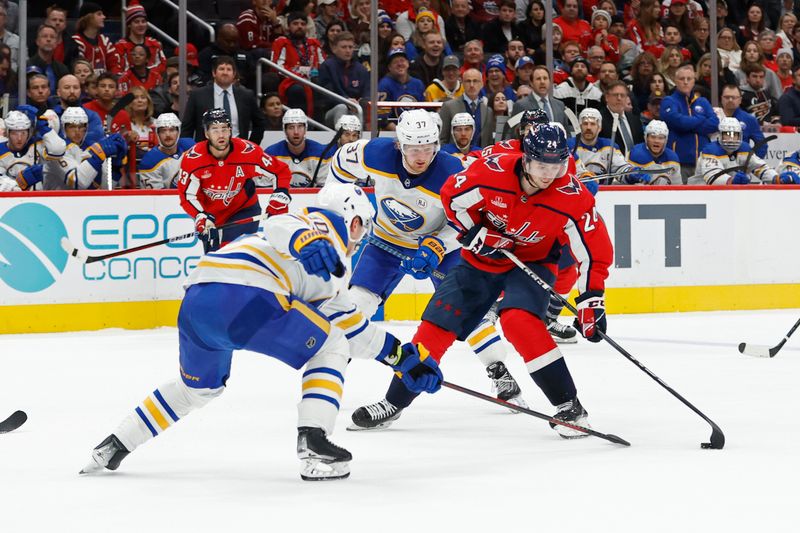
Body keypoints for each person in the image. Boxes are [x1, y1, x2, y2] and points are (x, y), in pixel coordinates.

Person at [79, 182, 443, 481]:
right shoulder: (322, 236)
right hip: (249, 298)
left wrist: (403, 358)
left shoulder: (315, 249)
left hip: (197, 301)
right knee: (330, 346)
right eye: (363, 226)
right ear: (352, 220)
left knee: (197, 388)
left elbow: (352, 323)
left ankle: (115, 444)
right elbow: (281, 226)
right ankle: (313, 437)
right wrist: (307, 241)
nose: (361, 238)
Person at [353, 123, 613, 436]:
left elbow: (594, 252)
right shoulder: (492, 172)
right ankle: (394, 401)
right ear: (525, 159)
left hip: (532, 262)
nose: (548, 175)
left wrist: (592, 300)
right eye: (542, 165)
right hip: (480, 261)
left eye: (556, 166)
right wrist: (473, 231)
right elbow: (452, 197)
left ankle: (569, 406)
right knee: (436, 324)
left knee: (519, 321)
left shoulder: (572, 196)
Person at [325, 110, 528, 430]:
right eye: (413, 149)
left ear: (437, 144)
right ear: (399, 146)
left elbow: (470, 220)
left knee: (465, 314)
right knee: (355, 307)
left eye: (429, 148)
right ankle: (330, 375)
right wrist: (340, 205)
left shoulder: (452, 171)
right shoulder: (374, 153)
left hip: (438, 247)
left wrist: (439, 245)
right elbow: (338, 163)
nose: (421, 157)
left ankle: (500, 373)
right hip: (385, 242)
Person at [177, 108, 292, 253]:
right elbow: (187, 197)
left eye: (224, 128)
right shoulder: (192, 160)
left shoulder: (248, 152)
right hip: (212, 216)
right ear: (206, 133)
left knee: (232, 254)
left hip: (243, 209)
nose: (221, 135)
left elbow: (280, 171)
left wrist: (280, 195)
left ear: (231, 130)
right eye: (215, 129)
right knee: (214, 261)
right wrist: (201, 216)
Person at [181, 56, 267, 144]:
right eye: (221, 69)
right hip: (206, 150)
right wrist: (190, 149)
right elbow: (187, 127)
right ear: (214, 73)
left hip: (238, 150)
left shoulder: (246, 95)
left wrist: (251, 145)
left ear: (234, 74)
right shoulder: (198, 95)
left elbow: (259, 123)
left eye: (229, 69)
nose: (225, 72)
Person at [660, 64, 719, 182]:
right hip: (678, 161)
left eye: (689, 79)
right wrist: (701, 118)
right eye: (682, 79)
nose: (685, 82)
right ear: (675, 81)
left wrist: (689, 125)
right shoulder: (669, 101)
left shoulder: (702, 101)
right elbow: (678, 122)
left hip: (702, 161)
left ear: (694, 81)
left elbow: (714, 123)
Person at [56, 106, 129, 190]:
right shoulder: (57, 151)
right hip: (56, 201)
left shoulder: (93, 147)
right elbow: (78, 183)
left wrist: (115, 168)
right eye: (72, 126)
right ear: (64, 128)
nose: (77, 131)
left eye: (81, 126)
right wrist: (98, 154)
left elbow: (106, 188)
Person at [697, 117, 785, 185]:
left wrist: (776, 178)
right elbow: (712, 177)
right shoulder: (710, 151)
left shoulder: (744, 149)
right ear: (720, 135)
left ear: (740, 135)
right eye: (727, 134)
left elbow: (760, 168)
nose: (731, 139)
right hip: (701, 193)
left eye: (735, 135)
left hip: (729, 195)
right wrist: (731, 180)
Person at [271, 12, 325, 115]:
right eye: (295, 23)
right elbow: (278, 67)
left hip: (313, 79)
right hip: (290, 81)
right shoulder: (282, 43)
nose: (299, 26)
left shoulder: (313, 44)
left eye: (303, 24)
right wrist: (300, 73)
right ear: (288, 26)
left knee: (321, 87)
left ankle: (318, 127)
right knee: (297, 90)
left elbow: (323, 65)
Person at [0, 109, 65, 192]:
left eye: (23, 133)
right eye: (14, 133)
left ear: (29, 132)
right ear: (7, 133)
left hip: (42, 199)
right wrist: (20, 182)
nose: (19, 138)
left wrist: (43, 127)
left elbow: (58, 151)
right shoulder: (1, 150)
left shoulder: (36, 145)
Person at [266, 109, 333, 188]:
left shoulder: (322, 153)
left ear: (305, 129)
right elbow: (264, 188)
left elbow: (326, 188)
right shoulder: (271, 154)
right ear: (285, 130)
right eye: (291, 127)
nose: (296, 132)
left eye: (300, 126)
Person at [317, 31, 369, 129]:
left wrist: (361, 102)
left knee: (361, 108)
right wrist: (346, 101)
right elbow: (327, 95)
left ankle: (359, 141)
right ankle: (342, 141)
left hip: (356, 109)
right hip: (332, 111)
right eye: (344, 47)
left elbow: (368, 92)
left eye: (350, 47)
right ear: (334, 48)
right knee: (342, 108)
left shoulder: (361, 69)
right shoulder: (327, 66)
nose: (348, 50)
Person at [568, 107, 633, 182]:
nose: (588, 128)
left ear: (599, 128)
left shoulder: (609, 146)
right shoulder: (570, 146)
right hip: (579, 191)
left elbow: (620, 169)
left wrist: (631, 173)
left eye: (593, 124)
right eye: (585, 124)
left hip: (605, 192)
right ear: (579, 127)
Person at [138, 113, 195, 189]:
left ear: (179, 131)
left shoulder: (190, 146)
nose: (167, 134)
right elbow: (156, 198)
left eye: (172, 130)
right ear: (157, 133)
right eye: (163, 131)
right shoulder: (149, 161)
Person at [438, 68, 493, 147]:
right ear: (462, 83)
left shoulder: (488, 111)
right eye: (468, 81)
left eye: (475, 81)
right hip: (455, 156)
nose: (471, 85)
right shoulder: (449, 106)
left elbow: (488, 141)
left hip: (480, 156)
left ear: (482, 84)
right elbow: (442, 139)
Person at [377, 48, 426, 130]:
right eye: (395, 62)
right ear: (389, 67)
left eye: (402, 60)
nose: (400, 64)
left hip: (417, 129)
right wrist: (400, 132)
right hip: (393, 132)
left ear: (407, 63)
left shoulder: (418, 84)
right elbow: (383, 118)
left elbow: (424, 112)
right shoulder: (384, 85)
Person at [116, 2, 166, 77]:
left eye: (143, 21)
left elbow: (162, 65)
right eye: (136, 22)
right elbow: (118, 70)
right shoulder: (120, 46)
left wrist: (147, 76)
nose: (141, 25)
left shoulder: (155, 44)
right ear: (129, 24)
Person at [71, 2, 122, 75]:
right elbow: (80, 69)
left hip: (104, 84)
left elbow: (114, 65)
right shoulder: (76, 41)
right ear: (88, 17)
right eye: (99, 14)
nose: (104, 17)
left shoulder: (105, 41)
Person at [625, 120, 682, 185]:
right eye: (653, 137)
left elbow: (677, 187)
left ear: (666, 140)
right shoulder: (635, 154)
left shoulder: (672, 158)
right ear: (646, 138)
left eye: (661, 138)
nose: (656, 141)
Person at [719, 84, 767, 157]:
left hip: (739, 163)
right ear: (721, 98)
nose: (730, 100)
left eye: (734, 97)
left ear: (740, 100)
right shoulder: (714, 116)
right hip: (717, 161)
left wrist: (751, 163)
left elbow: (762, 144)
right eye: (727, 97)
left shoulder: (749, 119)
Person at [28, 24, 69, 92]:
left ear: (56, 43)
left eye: (52, 37)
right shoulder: (27, 66)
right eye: (45, 36)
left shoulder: (62, 69)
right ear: (37, 41)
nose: (48, 39)